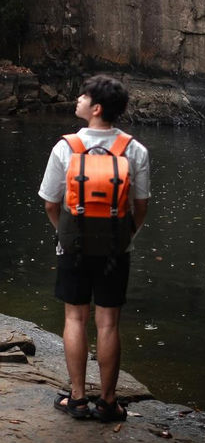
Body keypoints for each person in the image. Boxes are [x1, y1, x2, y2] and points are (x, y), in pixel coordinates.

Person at [39, 75, 150, 422]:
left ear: (96, 108)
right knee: (108, 323)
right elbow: (141, 206)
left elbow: (50, 204)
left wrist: (65, 236)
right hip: (115, 251)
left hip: (73, 246)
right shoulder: (134, 149)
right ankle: (107, 401)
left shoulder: (66, 147)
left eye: (83, 96)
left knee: (75, 317)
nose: (77, 100)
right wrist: (124, 237)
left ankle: (76, 399)